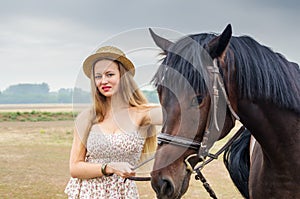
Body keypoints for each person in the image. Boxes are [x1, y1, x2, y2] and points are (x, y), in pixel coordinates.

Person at [64, 46, 162, 198]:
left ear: (123, 77)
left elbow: (183, 114)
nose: (103, 81)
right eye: (98, 76)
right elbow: (75, 168)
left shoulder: (142, 113)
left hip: (123, 193)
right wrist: (108, 167)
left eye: (110, 74)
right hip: (88, 194)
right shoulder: (87, 118)